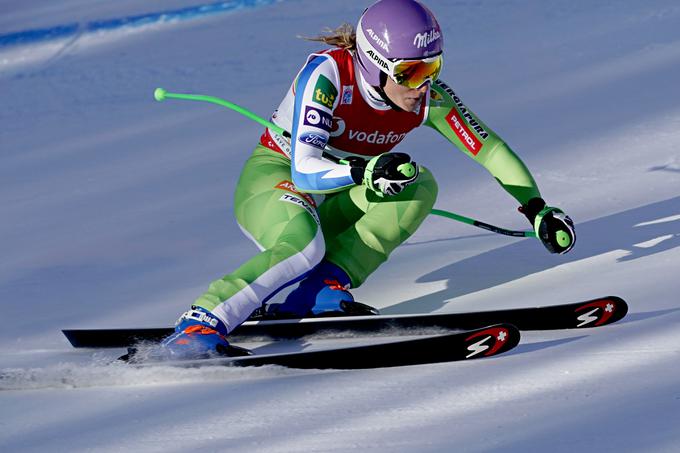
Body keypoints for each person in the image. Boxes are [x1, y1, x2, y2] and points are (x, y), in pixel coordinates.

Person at [159, 0, 575, 358]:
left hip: (344, 189)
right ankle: (201, 322)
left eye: (433, 66)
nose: (423, 84)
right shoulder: (328, 77)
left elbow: (489, 149)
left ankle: (319, 290)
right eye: (411, 72)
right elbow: (304, 169)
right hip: (277, 179)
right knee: (303, 243)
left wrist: (537, 209)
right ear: (376, 66)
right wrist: (364, 171)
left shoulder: (427, 96)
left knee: (419, 184)